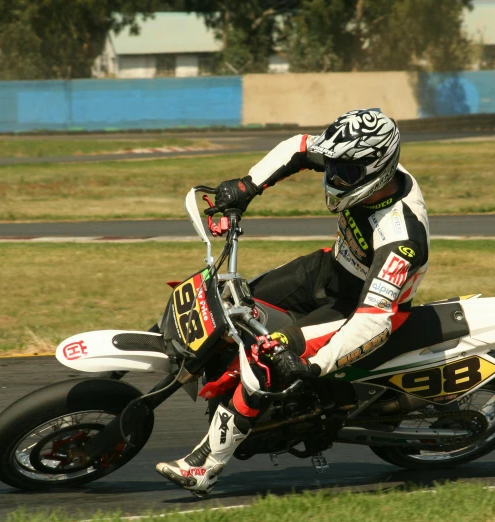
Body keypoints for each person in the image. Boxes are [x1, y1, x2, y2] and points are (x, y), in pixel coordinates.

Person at [156, 108, 430, 495]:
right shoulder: (351, 157)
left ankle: (207, 466)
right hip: (330, 267)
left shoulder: (401, 239)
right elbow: (299, 147)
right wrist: (247, 186)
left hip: (359, 306)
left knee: (267, 358)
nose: (333, 176)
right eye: (331, 165)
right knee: (232, 297)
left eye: (344, 172)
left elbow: (374, 322)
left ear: (377, 169)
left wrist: (313, 366)